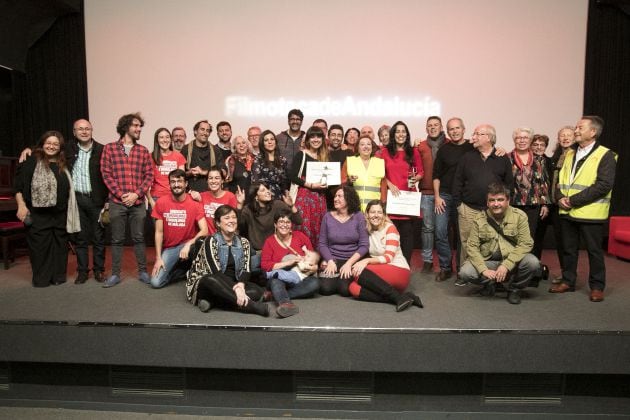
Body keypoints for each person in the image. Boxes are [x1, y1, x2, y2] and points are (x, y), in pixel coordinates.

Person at [19, 119, 108, 284]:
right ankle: (82, 272)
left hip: (96, 200)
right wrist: (29, 149)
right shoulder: (68, 148)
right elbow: (47, 148)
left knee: (98, 238)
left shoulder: (102, 150)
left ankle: (98, 271)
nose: (83, 131)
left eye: (87, 128)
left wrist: (108, 200)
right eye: (79, 129)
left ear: (91, 130)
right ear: (74, 132)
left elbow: (109, 175)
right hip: (77, 200)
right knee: (80, 238)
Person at [549, 116, 616, 302]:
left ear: (593, 132)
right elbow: (560, 179)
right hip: (567, 211)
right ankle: (568, 281)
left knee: (594, 252)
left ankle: (597, 286)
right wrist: (560, 197)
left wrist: (572, 200)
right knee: (568, 249)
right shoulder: (569, 153)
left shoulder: (606, 155)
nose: (576, 130)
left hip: (590, 213)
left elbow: (603, 185)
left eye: (580, 127)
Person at [458, 182, 541, 304]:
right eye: (492, 200)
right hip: (488, 262)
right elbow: (472, 247)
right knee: (465, 272)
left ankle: (514, 289)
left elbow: (526, 244)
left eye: (500, 200)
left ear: (508, 201)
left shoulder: (519, 216)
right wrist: (483, 270)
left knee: (533, 263)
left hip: (512, 261)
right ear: (487, 203)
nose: (496, 204)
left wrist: (506, 265)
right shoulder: (479, 218)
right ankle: (491, 283)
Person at [15, 131, 79, 287]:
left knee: (59, 246)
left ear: (60, 147)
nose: (52, 146)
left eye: (56, 144)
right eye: (48, 143)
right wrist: (21, 205)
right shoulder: (31, 160)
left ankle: (58, 276)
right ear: (42, 144)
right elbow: (18, 186)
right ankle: (42, 278)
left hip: (60, 213)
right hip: (38, 214)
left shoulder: (64, 163)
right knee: (40, 247)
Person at [452, 123, 513, 278]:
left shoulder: (502, 158)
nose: (474, 137)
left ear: (489, 138)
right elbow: (457, 181)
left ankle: (488, 274)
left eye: (478, 134)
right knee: (466, 243)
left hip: (494, 211)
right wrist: (459, 205)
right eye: (474, 134)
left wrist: (504, 206)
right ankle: (465, 275)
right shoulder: (467, 157)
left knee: (491, 242)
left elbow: (509, 184)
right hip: (469, 208)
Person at [100, 113, 154, 287]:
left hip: (137, 203)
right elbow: (106, 174)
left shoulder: (143, 151)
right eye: (136, 126)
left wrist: (136, 194)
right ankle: (115, 274)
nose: (139, 129)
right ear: (125, 127)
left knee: (139, 238)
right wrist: (122, 194)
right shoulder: (109, 149)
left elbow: (149, 176)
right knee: (116, 239)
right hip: (117, 202)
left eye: (140, 126)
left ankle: (143, 272)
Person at [186, 205, 269, 316]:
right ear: (218, 223)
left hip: (232, 282)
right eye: (227, 218)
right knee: (210, 280)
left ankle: (213, 301)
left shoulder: (244, 242)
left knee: (257, 292)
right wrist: (238, 290)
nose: (231, 221)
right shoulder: (211, 241)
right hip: (209, 283)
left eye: (234, 217)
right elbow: (216, 272)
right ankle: (252, 307)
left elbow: (246, 269)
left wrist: (240, 285)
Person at [348, 200, 422, 311]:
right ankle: (402, 297)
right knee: (354, 289)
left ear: (384, 215)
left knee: (359, 271)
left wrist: (366, 261)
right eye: (373, 212)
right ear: (367, 214)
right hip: (384, 274)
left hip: (399, 270)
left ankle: (398, 298)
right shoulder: (367, 231)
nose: (376, 215)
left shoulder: (390, 228)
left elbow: (388, 257)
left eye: (379, 212)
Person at [150, 169, 208, 289]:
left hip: (189, 246)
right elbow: (159, 232)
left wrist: (188, 244)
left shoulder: (194, 203)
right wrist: (158, 258)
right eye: (173, 181)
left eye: (180, 181)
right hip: (170, 248)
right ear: (169, 184)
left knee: (200, 243)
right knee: (156, 282)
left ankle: (193, 269)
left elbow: (204, 230)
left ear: (186, 184)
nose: (176, 184)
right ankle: (183, 272)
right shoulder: (161, 202)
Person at [432, 117, 473, 281]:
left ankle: (463, 269)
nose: (454, 131)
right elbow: (436, 175)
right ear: (447, 132)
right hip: (444, 196)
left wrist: (499, 149)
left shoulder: (472, 148)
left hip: (464, 197)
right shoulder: (443, 150)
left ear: (464, 129)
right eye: (451, 129)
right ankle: (446, 267)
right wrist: (436, 197)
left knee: (462, 234)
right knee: (440, 231)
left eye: (457, 128)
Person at [260, 209, 320, 318]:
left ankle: (275, 295)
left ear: (291, 224)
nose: (284, 225)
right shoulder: (269, 241)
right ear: (275, 224)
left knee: (315, 283)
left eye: (287, 222)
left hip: (299, 277)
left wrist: (312, 268)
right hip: (279, 277)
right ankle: (286, 304)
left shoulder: (300, 236)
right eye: (281, 222)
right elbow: (265, 266)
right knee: (275, 281)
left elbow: (314, 261)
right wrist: (288, 262)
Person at [381, 121, 424, 264]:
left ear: (407, 134)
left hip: (408, 198)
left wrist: (416, 177)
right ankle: (391, 264)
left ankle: (405, 265)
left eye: (403, 131)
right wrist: (388, 183)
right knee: (390, 234)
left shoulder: (414, 151)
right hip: (391, 198)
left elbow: (421, 171)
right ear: (393, 134)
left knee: (407, 235)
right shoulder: (385, 152)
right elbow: (379, 173)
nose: (401, 134)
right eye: (398, 131)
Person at [318, 185, 369, 296]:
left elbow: (364, 245)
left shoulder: (358, 216)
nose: (335, 199)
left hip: (351, 259)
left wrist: (349, 264)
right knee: (325, 289)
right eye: (335, 196)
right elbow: (322, 244)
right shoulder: (327, 217)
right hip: (333, 259)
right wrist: (330, 260)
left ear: (349, 198)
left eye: (340, 196)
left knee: (344, 290)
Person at [416, 116, 447, 273]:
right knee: (427, 228)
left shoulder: (450, 145)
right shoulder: (420, 146)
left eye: (436, 125)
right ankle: (427, 260)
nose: (433, 128)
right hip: (427, 192)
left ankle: (444, 263)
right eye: (430, 126)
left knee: (443, 229)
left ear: (441, 127)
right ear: (426, 128)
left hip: (445, 193)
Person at [543, 127, 575, 283]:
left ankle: (570, 276)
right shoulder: (556, 156)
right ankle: (565, 274)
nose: (565, 138)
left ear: (575, 137)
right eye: (562, 135)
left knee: (569, 243)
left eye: (569, 135)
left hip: (571, 204)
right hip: (556, 204)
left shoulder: (576, 155)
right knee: (561, 241)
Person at [289, 126, 329, 248]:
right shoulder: (302, 154)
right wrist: (310, 185)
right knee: (302, 226)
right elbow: (292, 175)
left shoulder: (324, 156)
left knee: (319, 227)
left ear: (323, 139)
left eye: (319, 136)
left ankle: (316, 258)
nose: (315, 139)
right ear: (308, 139)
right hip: (304, 198)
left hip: (319, 198)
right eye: (312, 136)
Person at [508, 127, 550, 238]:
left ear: (530, 140)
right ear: (514, 140)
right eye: (518, 138)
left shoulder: (539, 160)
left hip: (533, 204)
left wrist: (544, 204)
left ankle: (527, 256)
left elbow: (543, 182)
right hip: (512, 204)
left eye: (525, 138)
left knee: (529, 237)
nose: (522, 140)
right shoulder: (506, 158)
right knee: (512, 237)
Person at [239, 182, 302, 252]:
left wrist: (292, 206)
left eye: (267, 189)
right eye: (263, 190)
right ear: (256, 196)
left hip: (274, 249)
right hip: (256, 251)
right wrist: (239, 204)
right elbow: (238, 227)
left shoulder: (277, 205)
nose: (268, 191)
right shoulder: (248, 210)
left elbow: (299, 221)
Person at [191, 167, 242, 235]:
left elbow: (235, 222)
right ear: (207, 181)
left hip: (224, 238)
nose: (213, 181)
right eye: (210, 178)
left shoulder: (230, 197)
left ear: (222, 181)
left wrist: (240, 204)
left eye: (217, 178)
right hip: (206, 239)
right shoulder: (201, 196)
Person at [342, 135, 386, 210]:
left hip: (374, 208)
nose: (366, 146)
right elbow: (341, 182)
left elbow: (383, 186)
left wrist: (382, 204)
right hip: (354, 208)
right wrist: (348, 181)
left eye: (368, 144)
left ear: (372, 148)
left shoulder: (380, 162)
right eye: (362, 144)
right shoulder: (349, 161)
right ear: (358, 148)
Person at [182, 120, 225, 193]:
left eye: (207, 131)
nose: (205, 133)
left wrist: (203, 172)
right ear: (195, 131)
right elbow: (179, 174)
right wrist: (190, 172)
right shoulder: (185, 150)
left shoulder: (215, 150)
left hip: (211, 194)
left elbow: (223, 172)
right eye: (202, 129)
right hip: (190, 193)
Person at [148, 127, 186, 208]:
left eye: (167, 137)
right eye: (161, 137)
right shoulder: (151, 157)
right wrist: (150, 201)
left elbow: (182, 181)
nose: (165, 140)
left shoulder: (178, 156)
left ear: (171, 139)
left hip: (175, 197)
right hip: (156, 198)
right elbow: (145, 182)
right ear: (157, 140)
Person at [251, 130, 289, 200]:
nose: (270, 142)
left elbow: (285, 182)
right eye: (266, 140)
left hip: (280, 197)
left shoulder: (282, 160)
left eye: (272, 139)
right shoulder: (258, 160)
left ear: (275, 141)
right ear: (262, 143)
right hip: (264, 197)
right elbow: (255, 183)